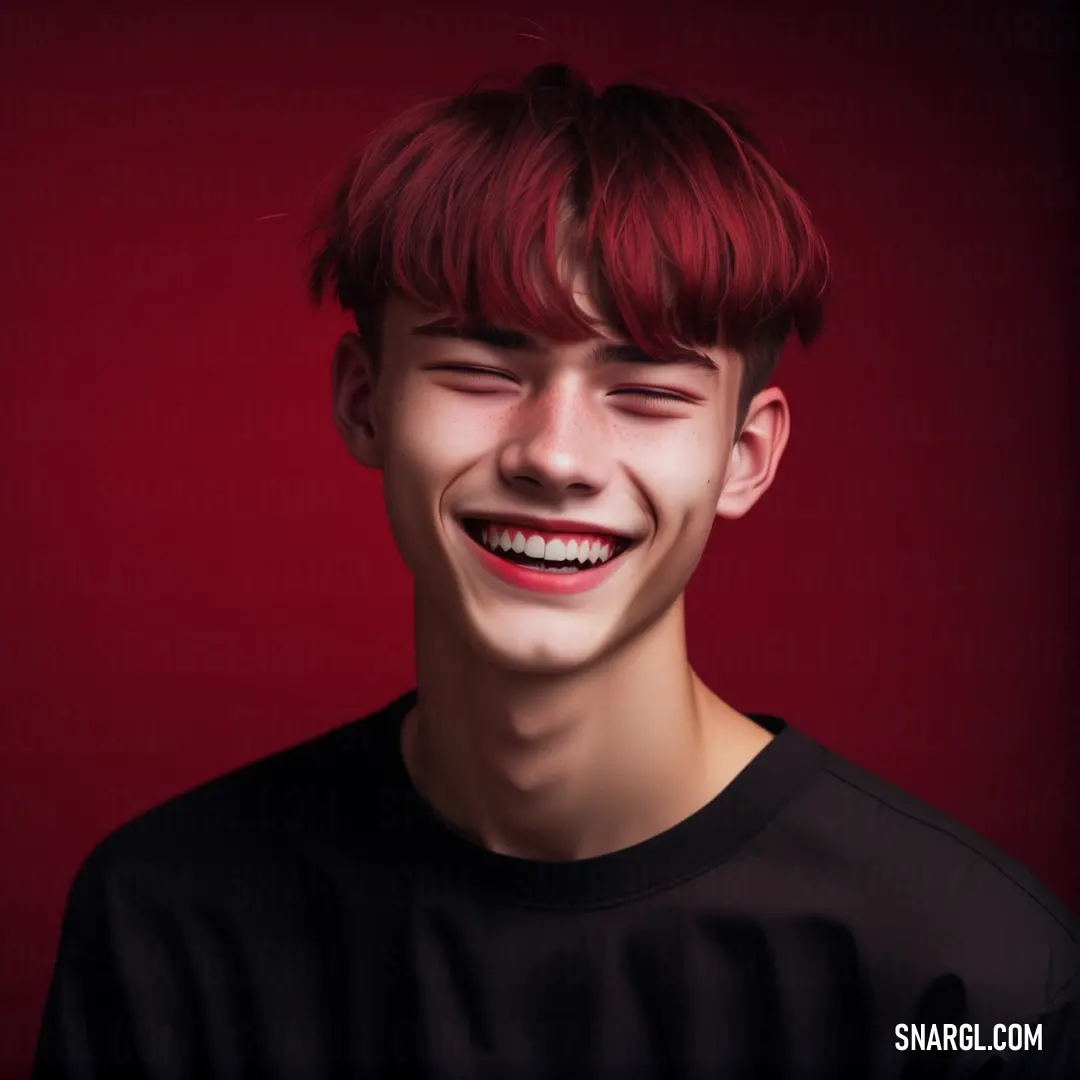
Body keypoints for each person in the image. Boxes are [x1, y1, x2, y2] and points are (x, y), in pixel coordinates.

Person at [32, 63, 1076, 1080]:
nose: (556, 456)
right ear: (364, 402)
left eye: (649, 392)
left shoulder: (971, 976)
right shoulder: (163, 919)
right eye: (481, 372)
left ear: (745, 457)